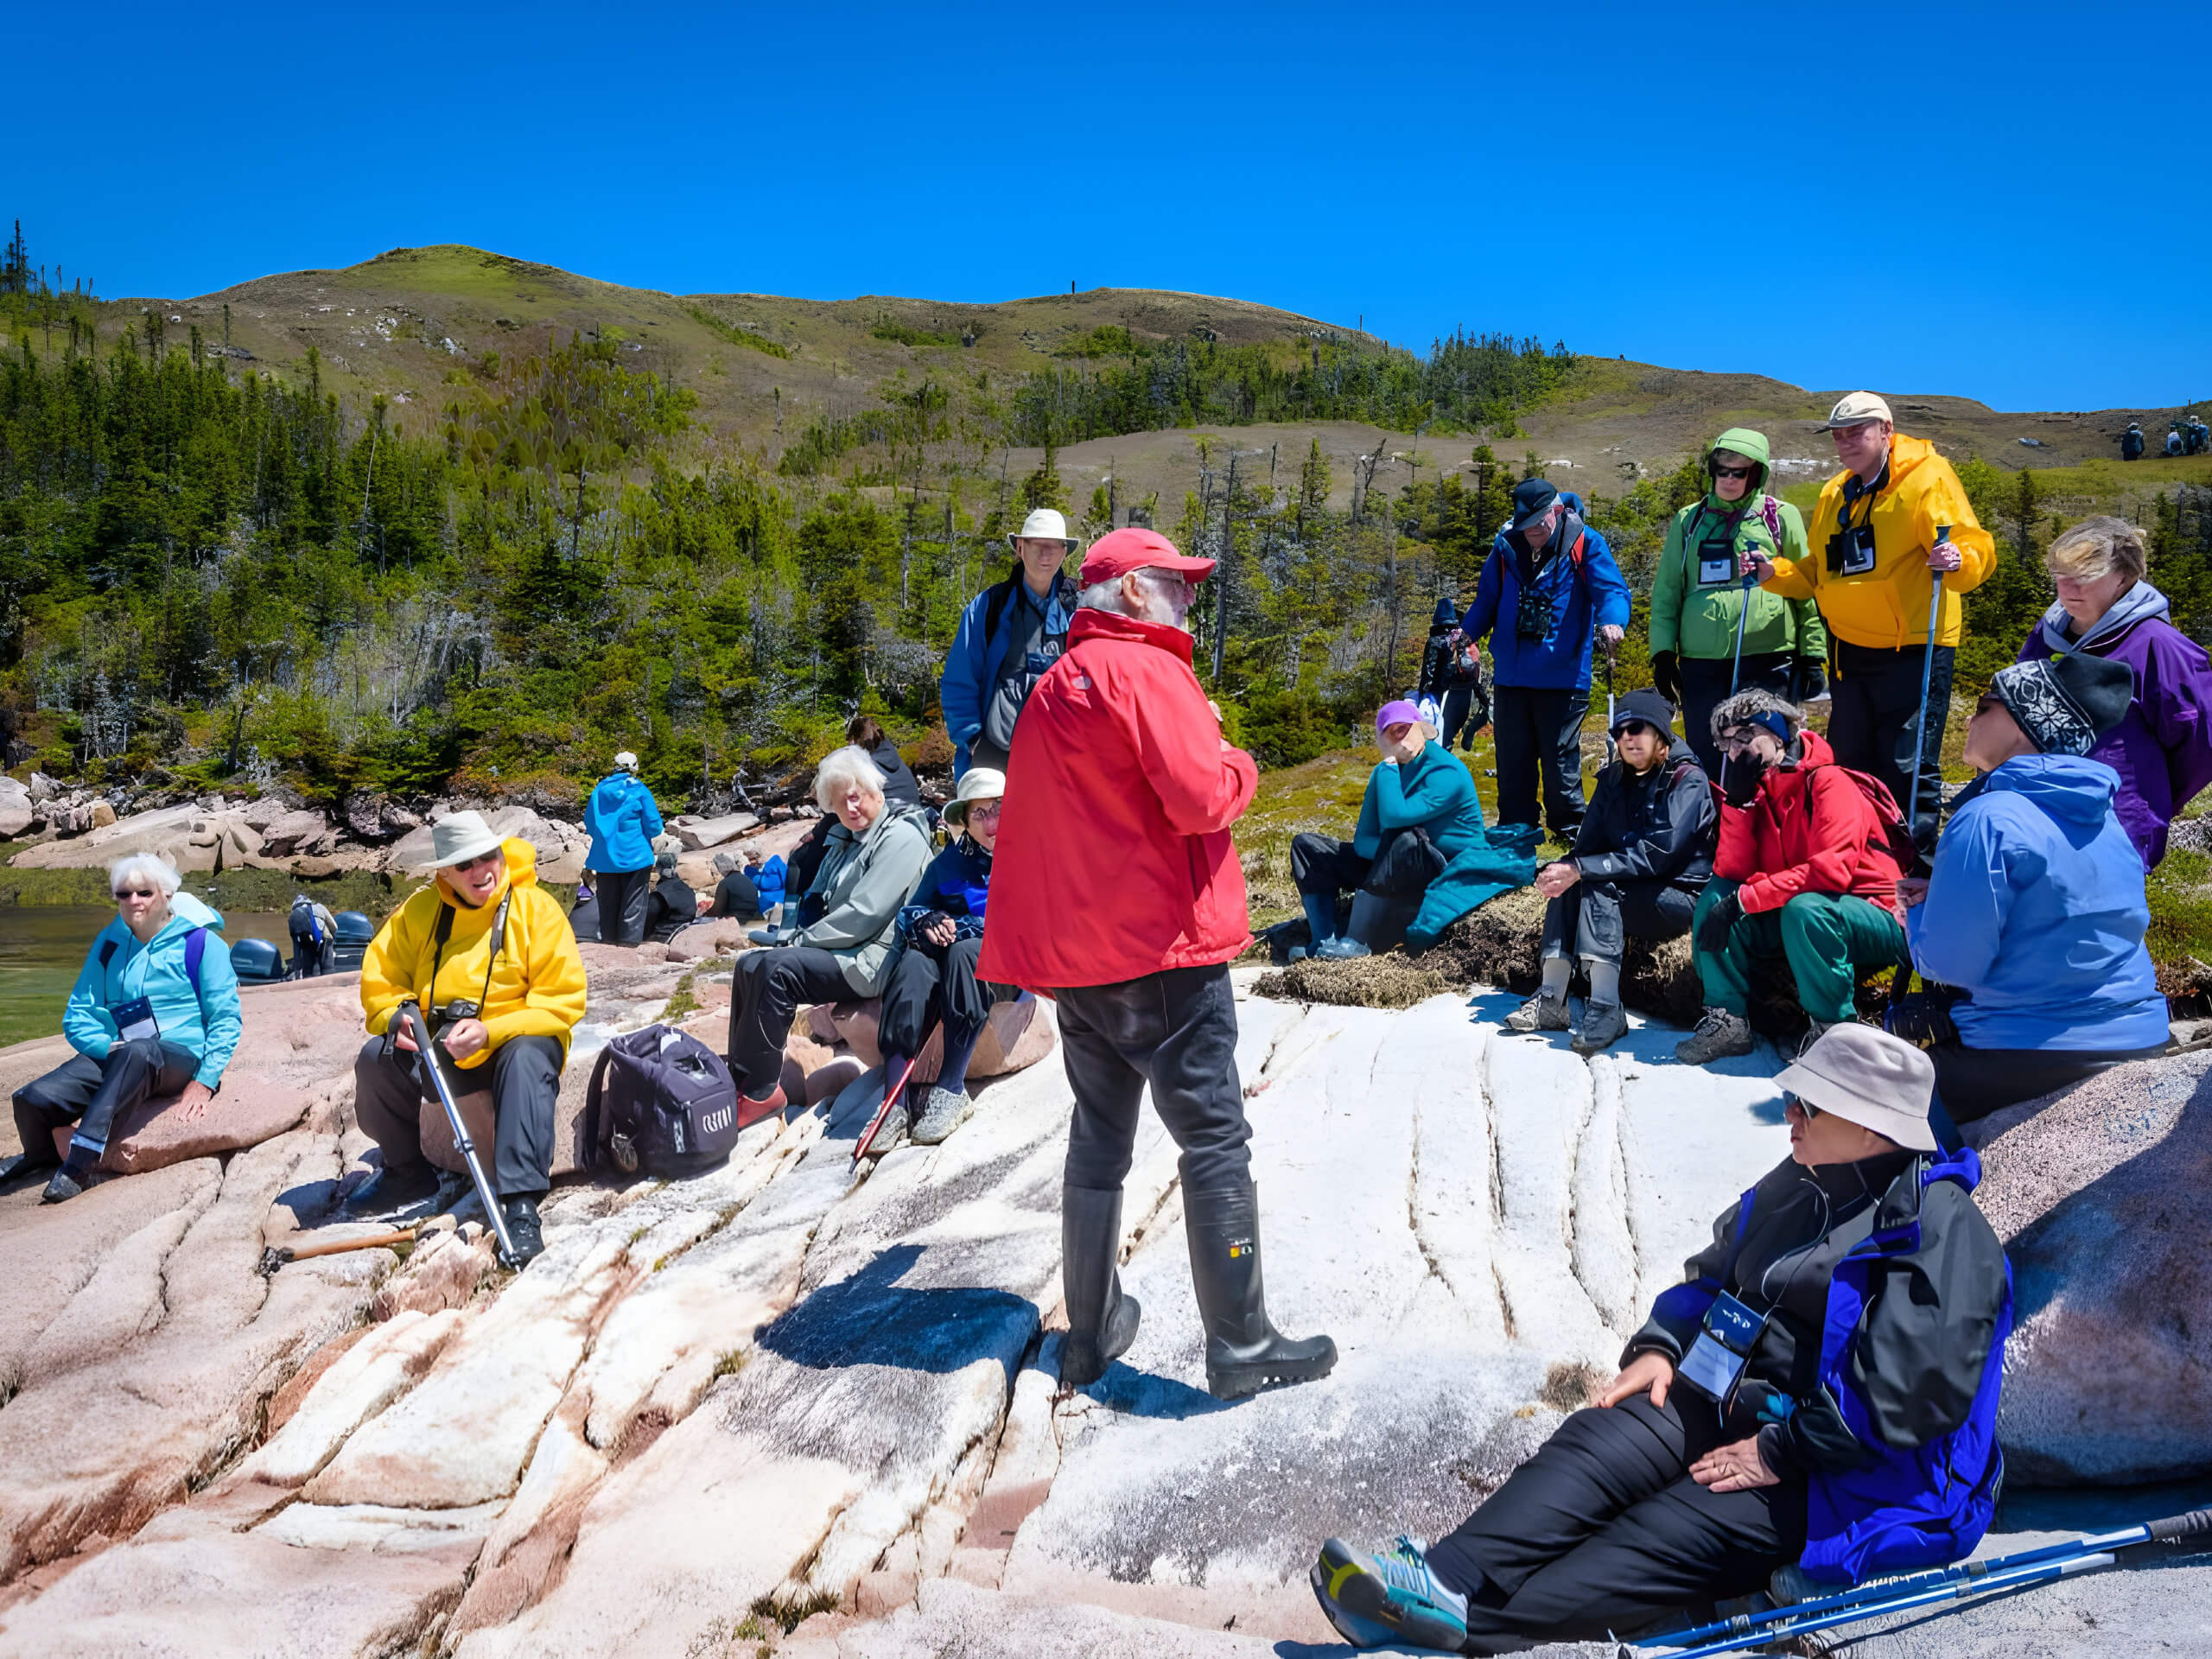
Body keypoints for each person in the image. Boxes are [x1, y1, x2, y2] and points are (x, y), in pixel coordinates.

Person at [1312, 1024, 2010, 1655]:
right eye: (1794, 1097)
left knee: (1667, 1529)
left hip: (1853, 1469)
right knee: (1601, 1440)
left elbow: (1904, 1398)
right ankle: (1440, 1578)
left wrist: (1779, 1450)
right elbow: (1712, 1275)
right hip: (1729, 1393)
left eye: (1809, 1105)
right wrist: (1661, 1345)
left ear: (1874, 1131)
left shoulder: (1941, 1231)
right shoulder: (1801, 1180)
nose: (1790, 1116)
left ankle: (1454, 1628)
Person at [981, 525, 1337, 1402]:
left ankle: (1090, 1334)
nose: (1188, 594)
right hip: (1163, 951)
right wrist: (1237, 759)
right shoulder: (1147, 670)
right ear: (1134, 592)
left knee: (1098, 1142)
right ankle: (1242, 1346)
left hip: (1082, 964)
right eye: (1176, 582)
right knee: (1213, 1139)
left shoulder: (1056, 683)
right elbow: (1200, 799)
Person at [1896, 653, 2171, 1141]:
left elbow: (1950, 964)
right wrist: (1945, 893)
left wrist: (1917, 917)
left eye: (1984, 705)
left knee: (1855, 1108)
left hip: (2028, 1051)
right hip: (2141, 1037)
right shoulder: (2107, 819)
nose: (1969, 717)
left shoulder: (1988, 816)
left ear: (2025, 725)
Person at [1743, 393, 1994, 859]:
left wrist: (1959, 559)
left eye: (1855, 431)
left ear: (1886, 429)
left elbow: (1971, 546)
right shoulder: (1833, 492)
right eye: (1838, 434)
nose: (1844, 442)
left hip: (1914, 648)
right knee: (1850, 762)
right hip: (1849, 652)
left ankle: (1913, 873)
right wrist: (1772, 573)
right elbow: (1816, 574)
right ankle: (1856, 859)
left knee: (1907, 765)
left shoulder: (1927, 478)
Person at [351, 812, 587, 1265]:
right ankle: (406, 1173)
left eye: (488, 856)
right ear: (445, 872)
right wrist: (396, 1017)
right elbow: (382, 980)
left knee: (527, 1057)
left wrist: (490, 1031)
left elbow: (562, 1002)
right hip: (444, 1047)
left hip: (516, 1039)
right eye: (465, 865)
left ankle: (520, 1204)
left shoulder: (536, 909)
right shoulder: (419, 912)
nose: (482, 871)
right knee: (374, 1060)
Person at [1677, 690, 1909, 1065]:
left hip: (1876, 914)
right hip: (1803, 913)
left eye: (1744, 737)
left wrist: (1744, 902)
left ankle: (1834, 1036)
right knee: (1718, 893)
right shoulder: (1760, 791)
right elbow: (1732, 873)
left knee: (1805, 909)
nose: (1736, 752)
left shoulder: (1829, 782)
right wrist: (1737, 805)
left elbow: (1831, 872)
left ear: (1777, 734)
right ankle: (1727, 1019)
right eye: (1726, 744)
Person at [3, 855, 242, 1203]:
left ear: (167, 894)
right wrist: (107, 1049)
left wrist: (204, 1083)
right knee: (33, 1099)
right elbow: (78, 1012)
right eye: (124, 894)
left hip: (179, 1056)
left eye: (144, 892)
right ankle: (39, 1157)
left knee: (139, 1051)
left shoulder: (201, 945)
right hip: (123, 1053)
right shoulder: (109, 943)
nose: (134, 902)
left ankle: (81, 1165)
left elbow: (225, 1018)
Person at [723, 747, 934, 1117]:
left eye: (854, 797)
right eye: (839, 804)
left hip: (874, 959)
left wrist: (800, 941)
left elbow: (865, 914)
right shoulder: (846, 840)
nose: (850, 809)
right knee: (749, 964)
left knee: (777, 971)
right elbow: (820, 901)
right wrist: (792, 934)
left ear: (874, 789)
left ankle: (759, 1094)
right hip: (848, 949)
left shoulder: (901, 837)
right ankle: (742, 1080)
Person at [1513, 690, 1714, 1054]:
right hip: (1630, 886)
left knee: (1596, 882)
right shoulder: (1612, 780)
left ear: (1660, 735)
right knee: (1571, 878)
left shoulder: (1687, 780)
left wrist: (1585, 868)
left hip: (1676, 894)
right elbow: (1587, 848)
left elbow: (1658, 856)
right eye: (1619, 731)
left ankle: (1607, 1007)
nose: (1627, 737)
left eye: (1637, 728)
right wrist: (1564, 869)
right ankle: (1551, 998)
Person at [2015, 516, 2212, 867]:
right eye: (2060, 576)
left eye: (2085, 577)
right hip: (2037, 811)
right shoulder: (2047, 633)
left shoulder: (2159, 646)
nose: (2067, 589)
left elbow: (2200, 742)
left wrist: (2155, 799)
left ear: (2125, 577)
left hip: (2116, 824)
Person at [1457, 478, 1631, 838]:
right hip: (1511, 675)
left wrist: (1613, 621)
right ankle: (1517, 830)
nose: (1532, 533)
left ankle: (1569, 831)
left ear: (1555, 512)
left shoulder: (1585, 542)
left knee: (1559, 760)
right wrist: (1467, 631)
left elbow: (1611, 589)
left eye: (1538, 524)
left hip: (1564, 676)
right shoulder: (1506, 544)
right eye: (1526, 526)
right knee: (1512, 758)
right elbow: (1487, 598)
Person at [1290, 701, 1531, 961]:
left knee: (1403, 837)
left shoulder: (1447, 771)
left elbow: (1397, 816)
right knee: (1306, 846)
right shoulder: (1383, 773)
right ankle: (1325, 940)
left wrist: (1391, 765)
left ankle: (1357, 941)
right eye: (1391, 731)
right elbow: (1362, 841)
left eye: (1404, 728)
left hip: (1443, 863)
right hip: (1395, 859)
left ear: (1421, 728)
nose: (1400, 736)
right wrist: (1385, 856)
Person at [1649, 429, 1828, 777]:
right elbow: (1668, 591)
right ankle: (1713, 828)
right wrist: (1662, 656)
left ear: (1757, 474)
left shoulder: (1781, 516)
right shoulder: (1689, 520)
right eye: (1722, 470)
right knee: (1707, 752)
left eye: (1739, 471)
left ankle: (1771, 827)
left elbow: (1806, 586)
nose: (1729, 478)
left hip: (1770, 658)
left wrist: (1812, 653)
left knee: (1767, 753)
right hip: (1701, 664)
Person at [868, 767, 1022, 1154]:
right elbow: (911, 911)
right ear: (964, 820)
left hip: (1006, 966)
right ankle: (894, 1103)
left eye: (998, 809)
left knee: (963, 949)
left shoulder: (1031, 855)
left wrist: (960, 928)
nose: (990, 823)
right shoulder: (947, 863)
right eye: (979, 813)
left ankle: (952, 1088)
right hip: (951, 970)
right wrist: (927, 921)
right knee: (914, 961)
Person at [941, 506, 1080, 775]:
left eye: (1054, 546)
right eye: (1037, 544)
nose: (1045, 553)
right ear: (1020, 547)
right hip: (995, 757)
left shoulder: (1080, 608)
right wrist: (974, 742)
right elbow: (959, 680)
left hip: (1062, 760)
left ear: (1064, 552)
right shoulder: (988, 607)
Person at [583, 751, 664, 946]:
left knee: (608, 903)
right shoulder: (639, 790)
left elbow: (590, 824)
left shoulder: (599, 790)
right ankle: (628, 946)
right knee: (634, 904)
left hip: (605, 858)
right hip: (636, 855)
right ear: (634, 766)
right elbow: (654, 826)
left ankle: (609, 943)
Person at [1417, 597, 1485, 752]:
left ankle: (1439, 769)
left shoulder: (1436, 639)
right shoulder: (1458, 636)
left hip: (1445, 692)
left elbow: (1429, 672)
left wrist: (1423, 696)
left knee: (1441, 736)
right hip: (1467, 690)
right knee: (1450, 733)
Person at [844, 714, 922, 809]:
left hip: (892, 819)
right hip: (917, 816)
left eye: (850, 741)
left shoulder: (866, 768)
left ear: (854, 740)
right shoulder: (896, 760)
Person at [642, 836, 702, 943]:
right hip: (685, 932)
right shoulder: (687, 888)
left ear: (658, 870)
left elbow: (647, 921)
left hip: (667, 935)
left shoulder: (659, 894)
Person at [287, 893, 338, 978]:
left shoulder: (293, 916)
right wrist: (332, 939)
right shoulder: (319, 907)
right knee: (328, 970)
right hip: (324, 939)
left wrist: (297, 970)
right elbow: (334, 926)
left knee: (308, 972)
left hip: (306, 942)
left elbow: (296, 946)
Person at [707, 849, 764, 919]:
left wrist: (704, 915)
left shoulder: (725, 883)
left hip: (740, 919)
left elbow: (717, 910)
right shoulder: (746, 879)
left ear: (720, 869)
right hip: (756, 916)